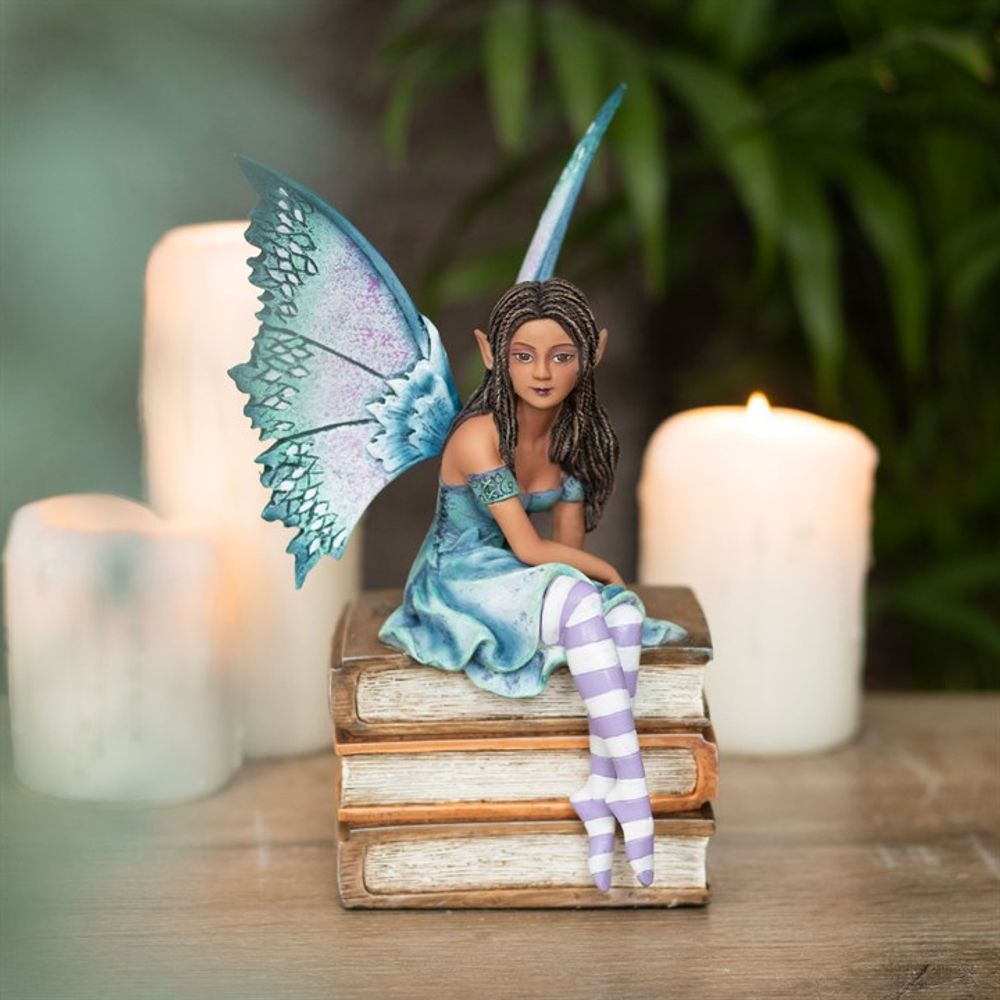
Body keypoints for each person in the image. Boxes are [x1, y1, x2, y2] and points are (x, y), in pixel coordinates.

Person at [379, 278, 687, 891]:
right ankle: (633, 786)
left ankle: (601, 783)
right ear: (491, 354)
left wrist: (600, 585)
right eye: (523, 355)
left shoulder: (573, 443)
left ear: (592, 353)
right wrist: (608, 574)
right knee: (590, 595)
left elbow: (566, 553)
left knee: (623, 616)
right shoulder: (478, 438)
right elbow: (529, 547)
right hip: (459, 577)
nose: (542, 372)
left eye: (561, 355)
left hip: (520, 578)